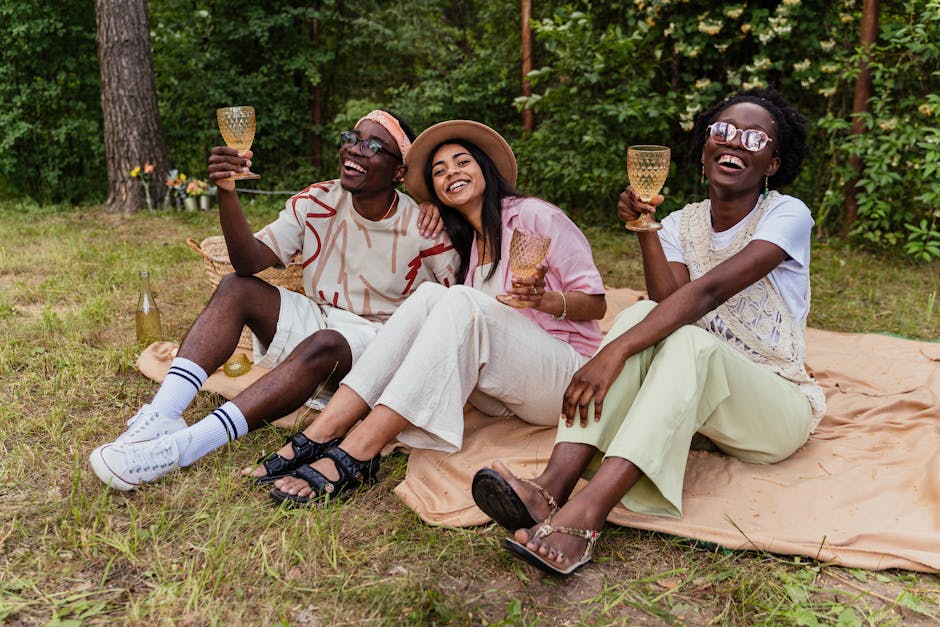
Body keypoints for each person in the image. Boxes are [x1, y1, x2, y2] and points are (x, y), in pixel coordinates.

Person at [471, 88, 826, 576]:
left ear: (772, 163)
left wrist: (611, 352)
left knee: (676, 340)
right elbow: (668, 303)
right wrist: (646, 227)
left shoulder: (788, 215)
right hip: (704, 402)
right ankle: (552, 486)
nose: (735, 144)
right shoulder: (681, 223)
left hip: (774, 408)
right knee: (642, 316)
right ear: (704, 148)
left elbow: (705, 295)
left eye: (753, 139)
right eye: (722, 131)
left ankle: (588, 515)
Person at [240, 120, 607, 506]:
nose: (453, 174)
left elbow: (595, 302)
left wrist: (545, 300)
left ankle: (358, 451)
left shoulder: (534, 216)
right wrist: (429, 208)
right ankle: (320, 433)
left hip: (565, 380)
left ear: (485, 168)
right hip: (500, 393)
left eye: (463, 162)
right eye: (440, 171)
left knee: (457, 301)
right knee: (433, 294)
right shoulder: (464, 243)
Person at [90, 110, 460, 491]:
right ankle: (163, 414)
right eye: (351, 137)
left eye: (372, 146)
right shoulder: (318, 200)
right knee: (237, 286)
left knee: (325, 342)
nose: (354, 149)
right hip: (320, 319)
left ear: (398, 172)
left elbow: (453, 312)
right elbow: (248, 261)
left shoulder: (423, 226)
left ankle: (185, 447)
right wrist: (227, 190)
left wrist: (434, 203)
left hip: (380, 345)